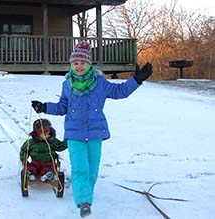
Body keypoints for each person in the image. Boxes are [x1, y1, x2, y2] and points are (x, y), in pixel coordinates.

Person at [31, 40, 152, 218]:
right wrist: (44, 107)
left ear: (89, 64)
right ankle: (84, 202)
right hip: (74, 133)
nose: (79, 66)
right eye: (75, 63)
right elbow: (62, 107)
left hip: (96, 132)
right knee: (80, 168)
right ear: (71, 65)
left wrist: (137, 80)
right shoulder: (67, 85)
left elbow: (120, 92)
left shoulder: (100, 83)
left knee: (92, 168)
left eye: (82, 63)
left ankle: (87, 194)